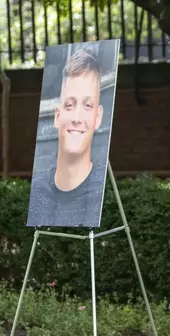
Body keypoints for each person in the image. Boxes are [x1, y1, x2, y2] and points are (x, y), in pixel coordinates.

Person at [27, 46, 107, 228]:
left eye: (87, 105)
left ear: (98, 117)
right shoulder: (38, 191)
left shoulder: (102, 193)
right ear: (57, 115)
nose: (77, 119)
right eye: (70, 105)